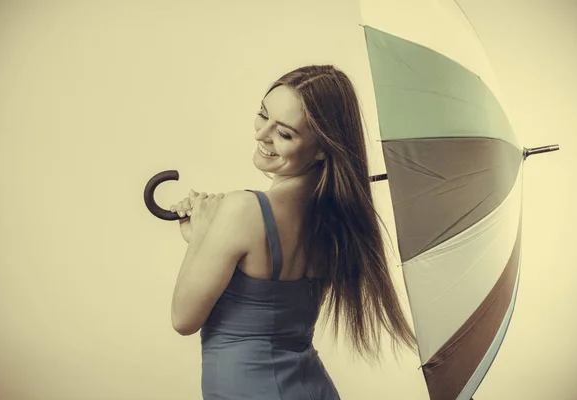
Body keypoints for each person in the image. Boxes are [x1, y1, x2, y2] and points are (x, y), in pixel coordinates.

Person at [169, 65, 417, 400]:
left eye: (284, 134)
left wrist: (201, 237)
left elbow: (183, 319)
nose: (261, 134)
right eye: (263, 114)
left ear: (320, 150)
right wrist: (208, 240)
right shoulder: (335, 221)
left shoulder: (244, 210)